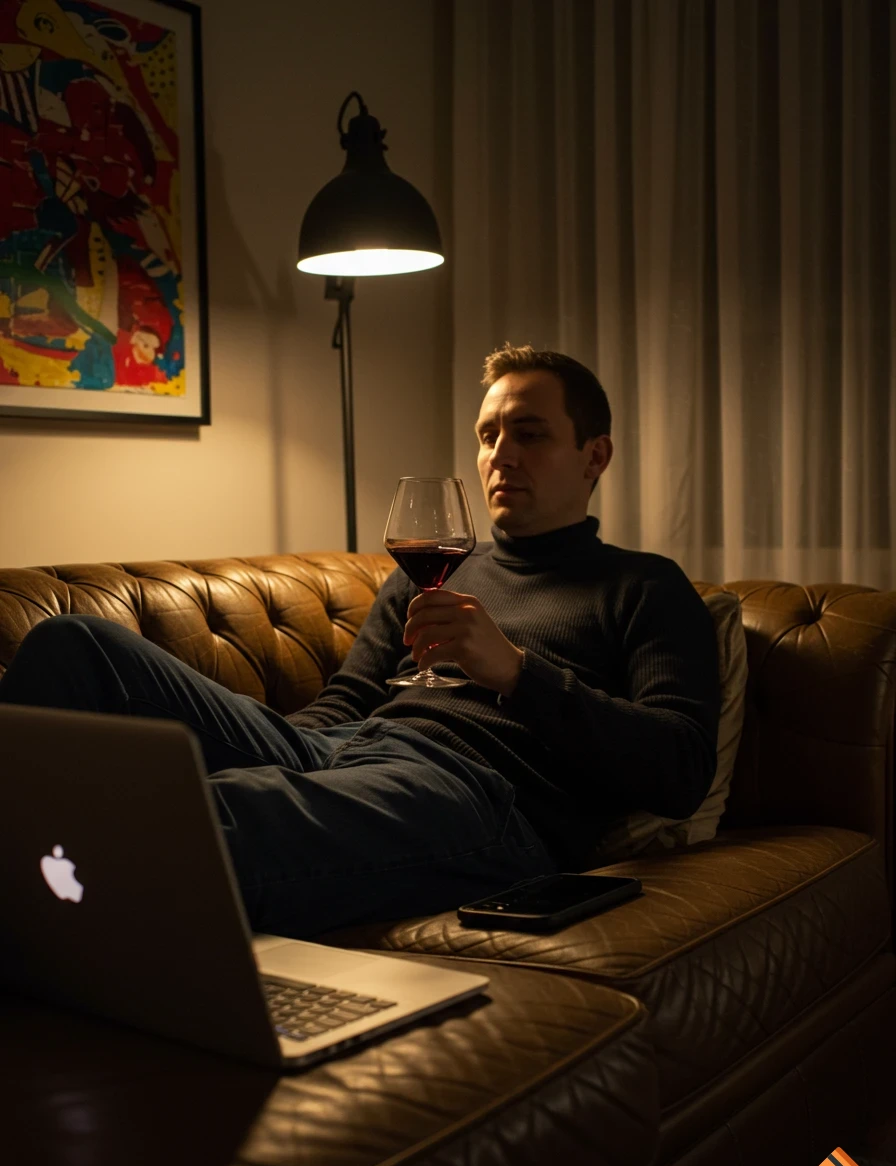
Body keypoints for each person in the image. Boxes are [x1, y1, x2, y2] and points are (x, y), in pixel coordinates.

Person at [0, 344, 721, 939]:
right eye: (488, 436)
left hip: (478, 797)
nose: (500, 455)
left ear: (595, 456)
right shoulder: (441, 567)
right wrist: (282, 755)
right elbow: (349, 698)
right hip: (350, 750)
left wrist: (516, 672)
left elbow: (681, 770)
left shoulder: (645, 586)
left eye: (529, 434)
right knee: (77, 646)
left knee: (216, 812)